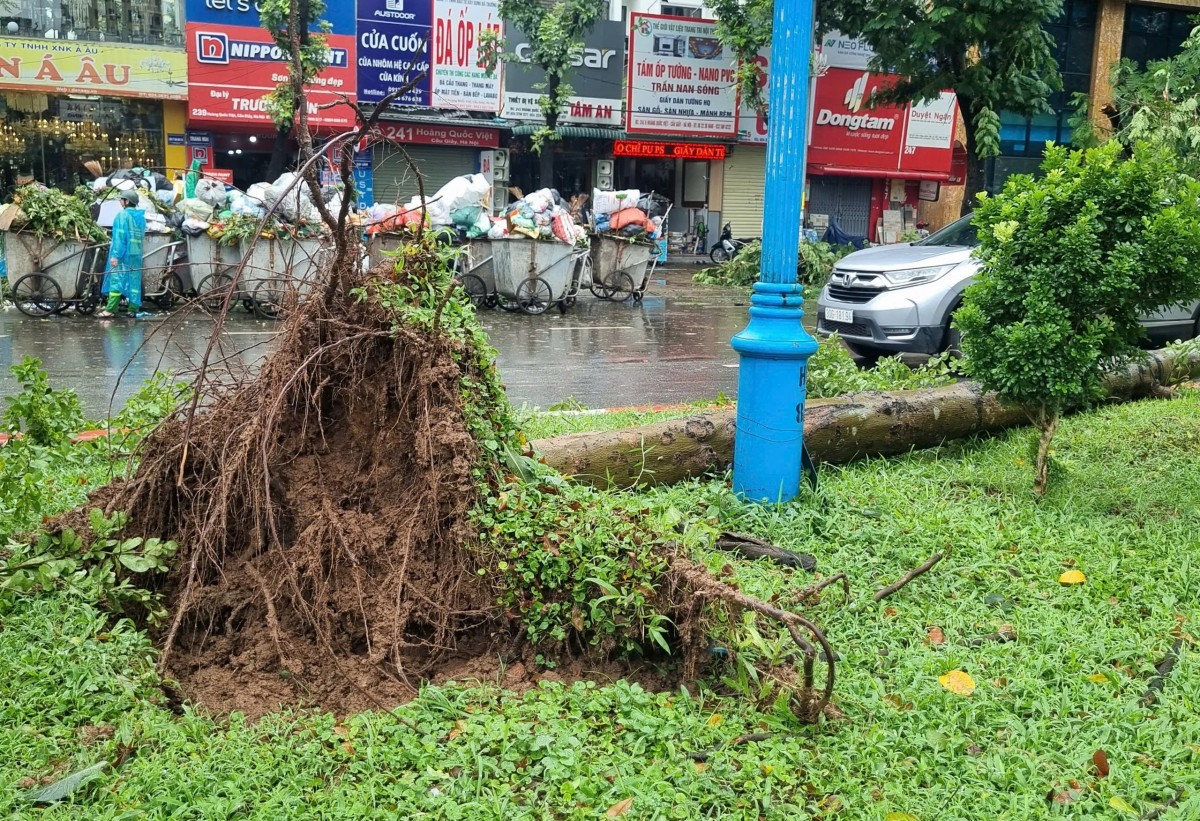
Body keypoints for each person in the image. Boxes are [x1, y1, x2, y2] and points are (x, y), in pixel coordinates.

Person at [97, 188, 147, 318]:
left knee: (116, 280)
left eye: (121, 199)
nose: (120, 201)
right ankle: (133, 309)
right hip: (135, 254)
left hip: (123, 255)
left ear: (126, 201)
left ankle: (111, 309)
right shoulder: (140, 217)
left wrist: (115, 256)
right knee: (134, 281)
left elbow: (119, 238)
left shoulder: (122, 215)